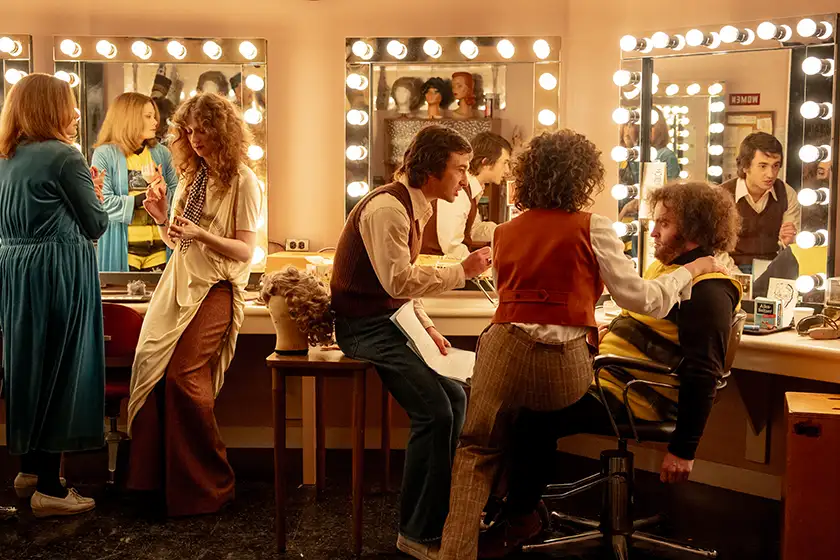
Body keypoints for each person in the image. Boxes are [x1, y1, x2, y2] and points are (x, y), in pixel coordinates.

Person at [438, 133, 726, 559]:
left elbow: (509, 294)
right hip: (562, 365)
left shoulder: (503, 232)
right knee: (536, 414)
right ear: (582, 177)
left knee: (477, 448)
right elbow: (643, 298)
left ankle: (464, 546)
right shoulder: (595, 227)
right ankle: (519, 512)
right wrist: (689, 271)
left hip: (501, 348)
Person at [488, 181, 742, 557]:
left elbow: (703, 373)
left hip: (639, 397)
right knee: (519, 402)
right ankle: (517, 507)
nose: (652, 231)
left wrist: (684, 449)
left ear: (693, 230)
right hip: (616, 381)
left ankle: (520, 519)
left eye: (664, 224)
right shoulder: (669, 269)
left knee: (533, 416)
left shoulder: (708, 290)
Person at [330, 125, 492, 560]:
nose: (464, 179)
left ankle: (437, 517)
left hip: (391, 320)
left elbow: (402, 288)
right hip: (363, 328)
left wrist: (426, 323)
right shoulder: (388, 208)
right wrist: (464, 271)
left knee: (456, 398)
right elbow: (396, 278)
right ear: (431, 169)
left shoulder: (417, 206)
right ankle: (416, 532)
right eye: (458, 169)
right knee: (436, 412)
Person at [125, 92, 262, 517]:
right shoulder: (192, 176)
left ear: (223, 131)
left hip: (216, 288)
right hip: (177, 285)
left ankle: (210, 485)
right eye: (189, 130)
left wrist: (201, 235)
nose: (196, 138)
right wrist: (164, 217)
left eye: (204, 129)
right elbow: (178, 241)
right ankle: (153, 486)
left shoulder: (244, 180)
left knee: (184, 376)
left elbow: (244, 251)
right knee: (150, 371)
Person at [0, 73, 108, 517]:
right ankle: (50, 489)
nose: (75, 112)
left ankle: (29, 472)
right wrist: (96, 194)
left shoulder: (6, 156)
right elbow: (96, 223)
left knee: (28, 367)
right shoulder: (64, 156)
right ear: (51, 108)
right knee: (62, 371)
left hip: (15, 270)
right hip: (57, 271)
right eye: (67, 103)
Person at [92, 92, 178, 272]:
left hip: (161, 252)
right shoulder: (105, 154)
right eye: (148, 117)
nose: (155, 122)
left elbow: (177, 201)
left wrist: (160, 186)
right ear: (128, 118)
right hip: (123, 251)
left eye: (154, 116)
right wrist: (145, 199)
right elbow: (104, 203)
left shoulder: (162, 153)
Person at [421, 132, 510, 259]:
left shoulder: (472, 189)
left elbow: (473, 230)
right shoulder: (459, 190)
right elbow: (451, 245)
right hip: (434, 268)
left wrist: (508, 230)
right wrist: (481, 265)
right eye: (505, 162)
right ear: (486, 162)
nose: (507, 170)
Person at [720, 132, 800, 273]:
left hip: (772, 268)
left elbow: (790, 247)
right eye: (763, 166)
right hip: (729, 269)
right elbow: (716, 251)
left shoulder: (787, 193)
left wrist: (787, 242)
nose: (771, 174)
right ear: (745, 166)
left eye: (775, 166)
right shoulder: (722, 196)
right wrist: (738, 278)